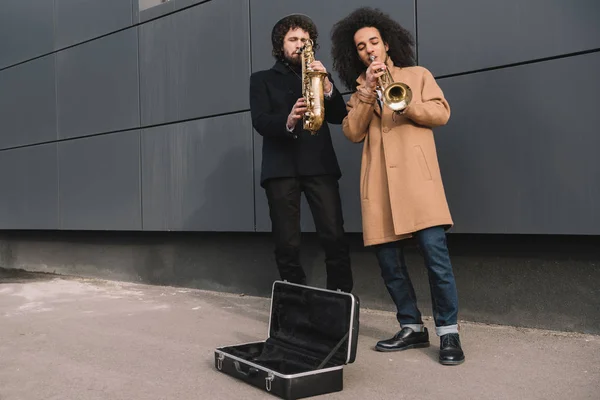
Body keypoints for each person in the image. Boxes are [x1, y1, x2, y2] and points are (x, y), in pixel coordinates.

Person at [330, 7, 464, 365]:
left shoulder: (417, 75)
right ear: (355, 54)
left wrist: (405, 104)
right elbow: (352, 132)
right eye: (360, 46)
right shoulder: (360, 89)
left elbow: (441, 113)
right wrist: (368, 90)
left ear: (386, 44)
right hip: (380, 186)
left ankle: (448, 333)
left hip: (418, 183)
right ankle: (411, 326)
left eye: (373, 41)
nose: (368, 49)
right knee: (390, 264)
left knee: (436, 259)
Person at [249, 14, 353, 293]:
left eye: (304, 40)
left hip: (320, 165)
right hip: (280, 169)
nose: (299, 44)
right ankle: (297, 304)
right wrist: (289, 119)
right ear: (280, 45)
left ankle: (340, 302)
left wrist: (328, 86)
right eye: (292, 39)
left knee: (334, 236)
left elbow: (339, 116)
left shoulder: (320, 75)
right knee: (287, 243)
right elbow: (259, 121)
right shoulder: (261, 80)